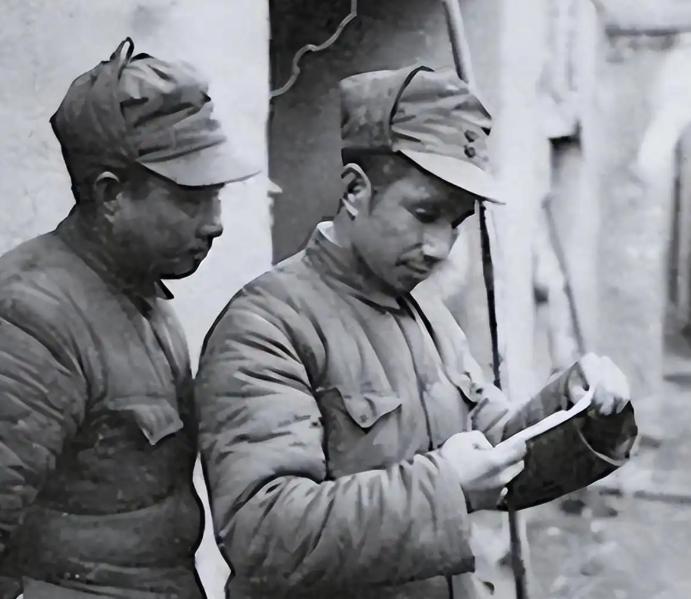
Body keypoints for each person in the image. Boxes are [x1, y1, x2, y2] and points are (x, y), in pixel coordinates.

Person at [195, 65, 635, 599]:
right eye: (425, 214)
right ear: (355, 191)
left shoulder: (426, 311)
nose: (440, 246)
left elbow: (494, 451)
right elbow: (262, 533)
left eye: (456, 222)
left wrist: (578, 411)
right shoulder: (267, 326)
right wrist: (444, 487)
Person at [0, 39, 257, 599]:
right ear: (111, 195)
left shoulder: (141, 292)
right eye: (191, 197)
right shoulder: (31, 317)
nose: (215, 223)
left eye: (216, 195)